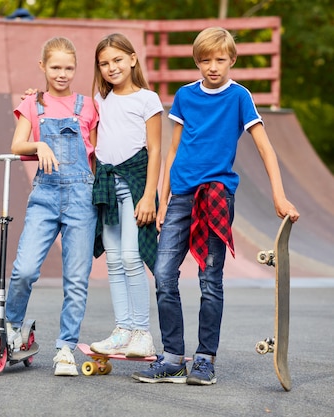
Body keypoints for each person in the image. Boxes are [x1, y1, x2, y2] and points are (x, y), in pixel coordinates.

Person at [132, 27, 300, 385]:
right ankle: (174, 357)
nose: (212, 66)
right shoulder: (184, 96)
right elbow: (173, 150)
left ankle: (205, 359)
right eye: (205, 60)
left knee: (210, 279)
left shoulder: (239, 97)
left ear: (232, 60)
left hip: (217, 195)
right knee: (163, 274)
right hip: (180, 195)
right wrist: (162, 200)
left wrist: (279, 195)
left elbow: (265, 148)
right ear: (196, 61)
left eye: (220, 59)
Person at [5, 37, 99, 376]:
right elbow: (17, 143)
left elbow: (99, 152)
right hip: (44, 197)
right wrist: (39, 144)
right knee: (25, 269)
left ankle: (65, 349)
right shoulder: (33, 103)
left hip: (81, 200)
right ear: (42, 67)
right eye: (56, 67)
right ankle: (13, 330)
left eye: (69, 68)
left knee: (76, 279)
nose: (62, 74)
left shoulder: (88, 106)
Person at [89, 33, 162, 358]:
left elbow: (156, 150)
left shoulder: (148, 99)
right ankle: (123, 329)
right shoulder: (100, 100)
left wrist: (149, 196)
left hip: (135, 184)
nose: (111, 67)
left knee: (133, 257)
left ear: (133, 59)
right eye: (104, 63)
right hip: (107, 185)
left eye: (117, 59)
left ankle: (142, 333)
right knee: (114, 260)